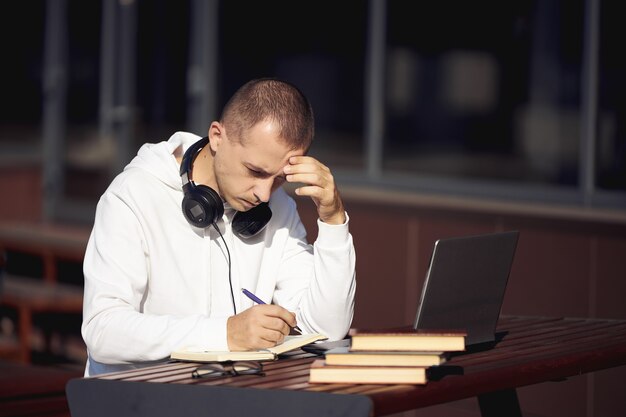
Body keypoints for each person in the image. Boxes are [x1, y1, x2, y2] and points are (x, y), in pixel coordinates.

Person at [81, 78, 356, 376]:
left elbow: (326, 330)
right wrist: (226, 334)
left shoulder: (279, 209)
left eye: (279, 179)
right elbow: (103, 331)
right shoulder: (132, 194)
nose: (264, 194)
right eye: (254, 171)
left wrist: (333, 221)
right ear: (217, 136)